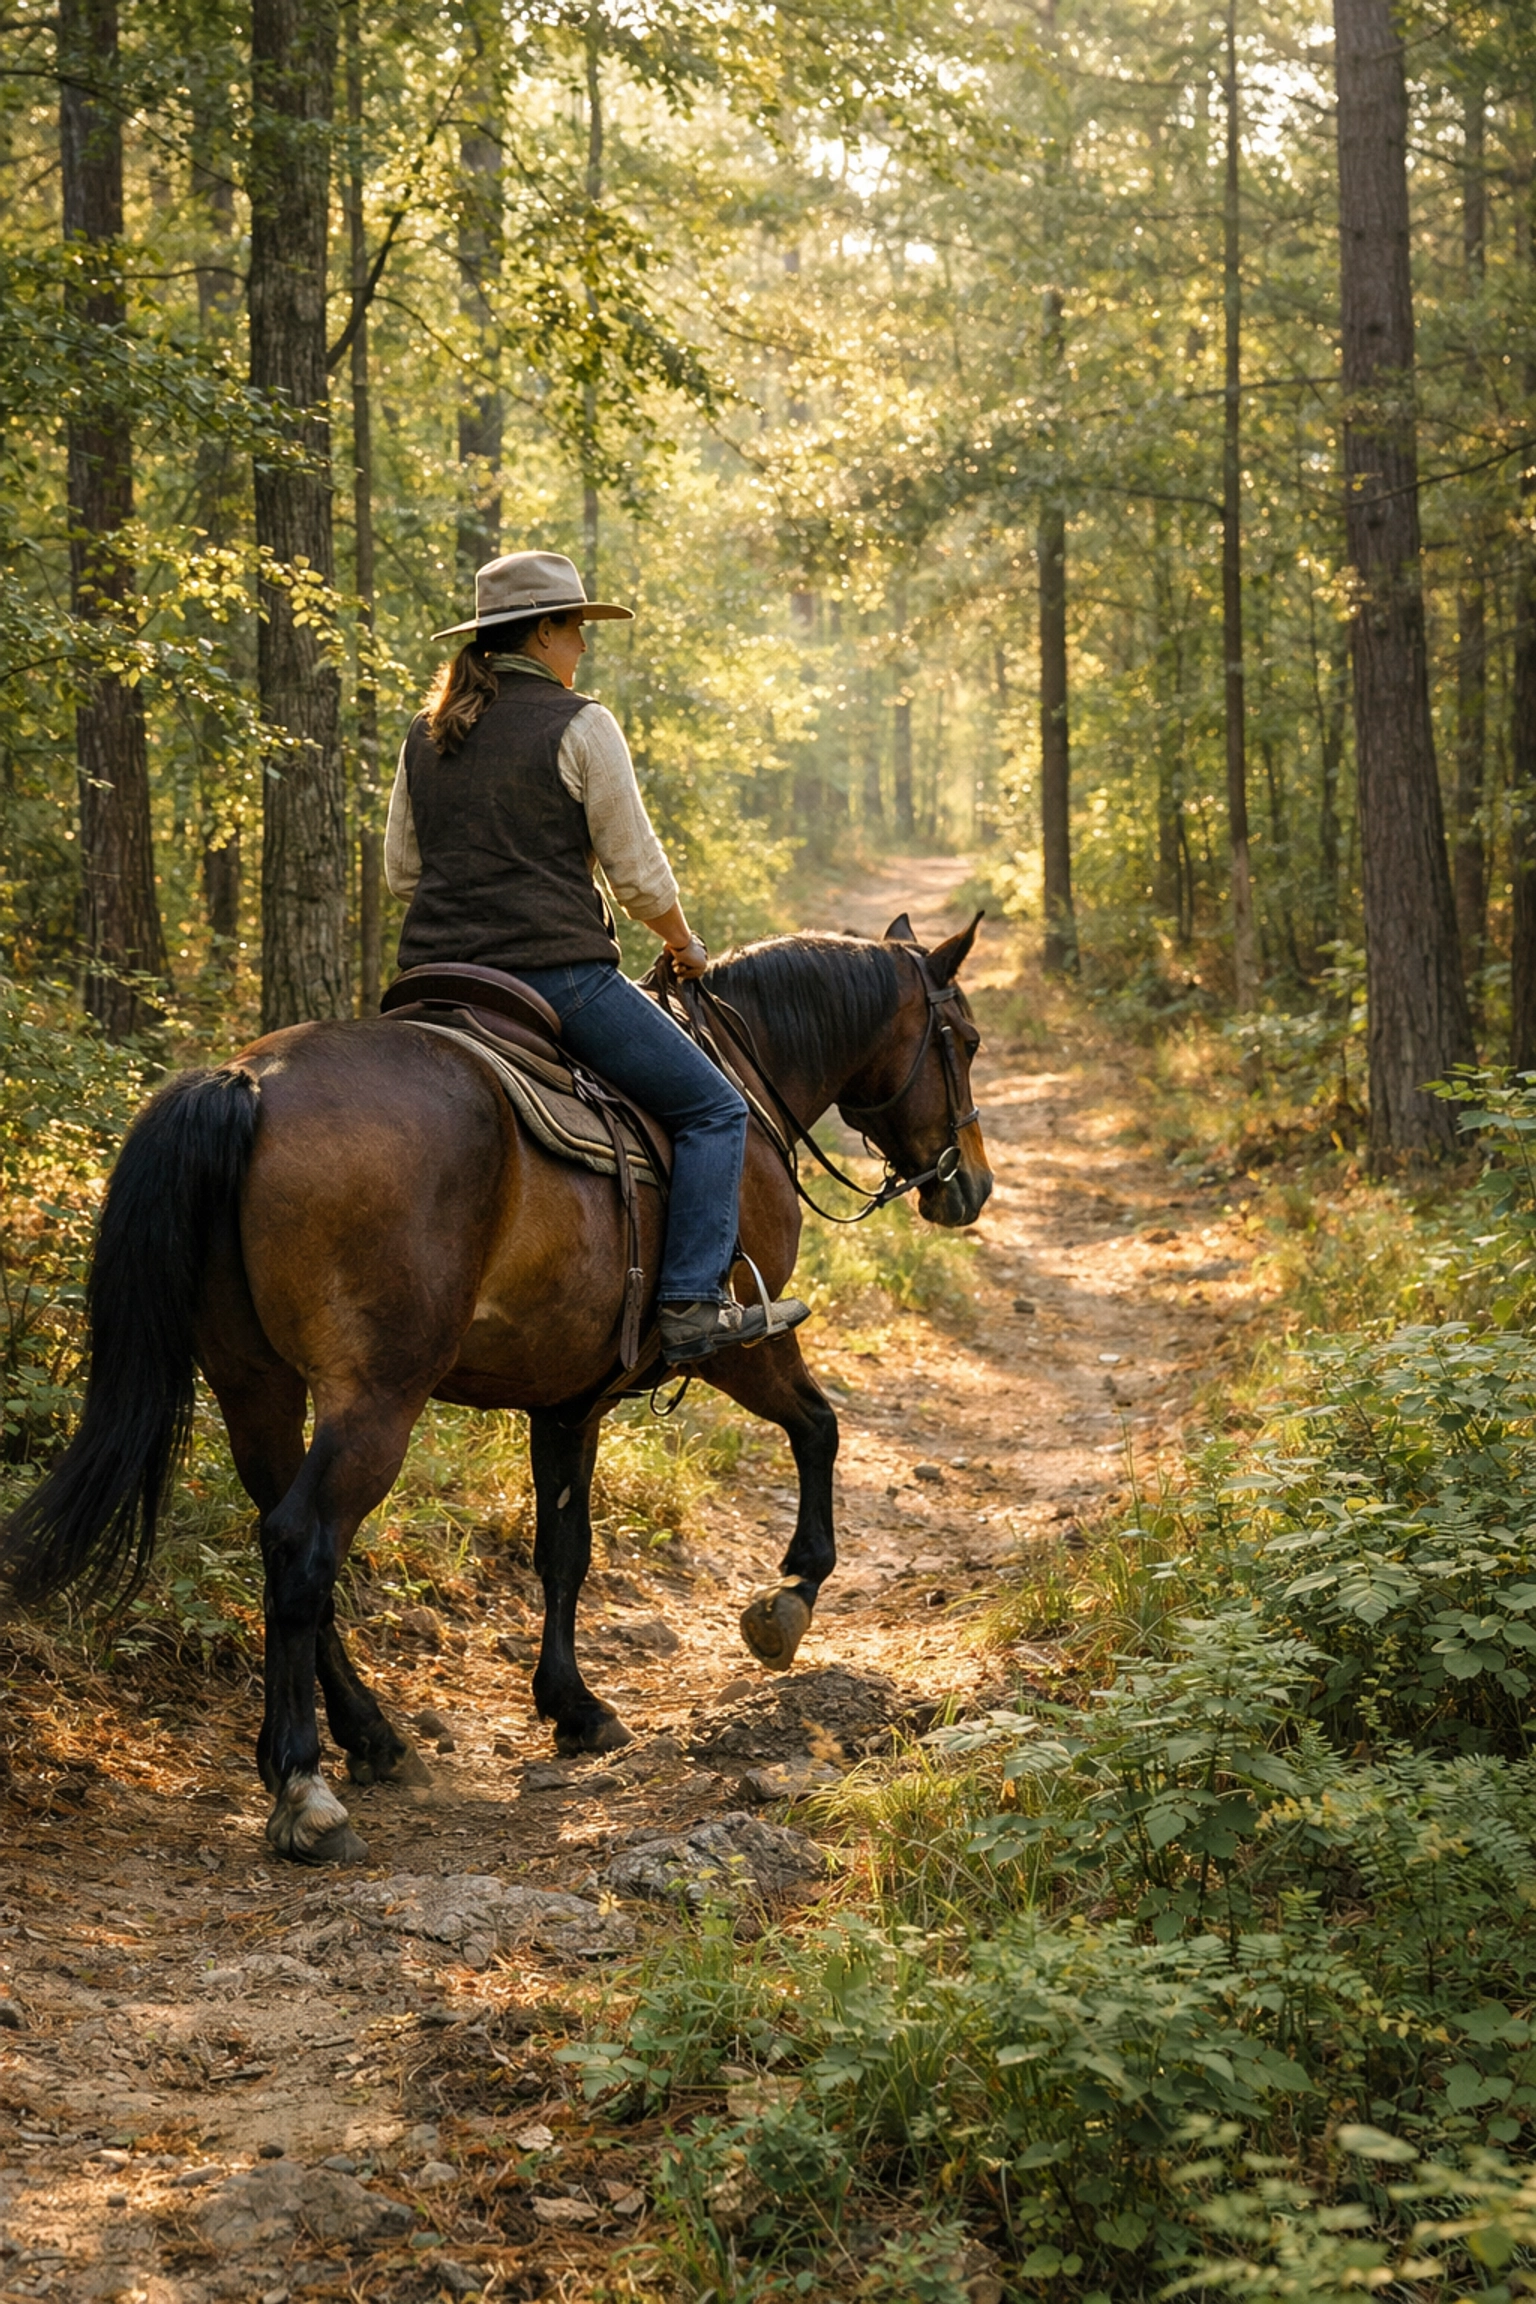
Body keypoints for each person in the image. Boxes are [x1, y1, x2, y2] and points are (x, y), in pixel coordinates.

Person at [384, 549, 809, 1367]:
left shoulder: (426, 733)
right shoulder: (583, 725)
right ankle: (691, 1304)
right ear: (544, 632)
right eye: (577, 629)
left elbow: (404, 873)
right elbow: (639, 875)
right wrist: (682, 945)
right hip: (558, 981)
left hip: (429, 984)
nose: (583, 647)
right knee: (716, 1110)